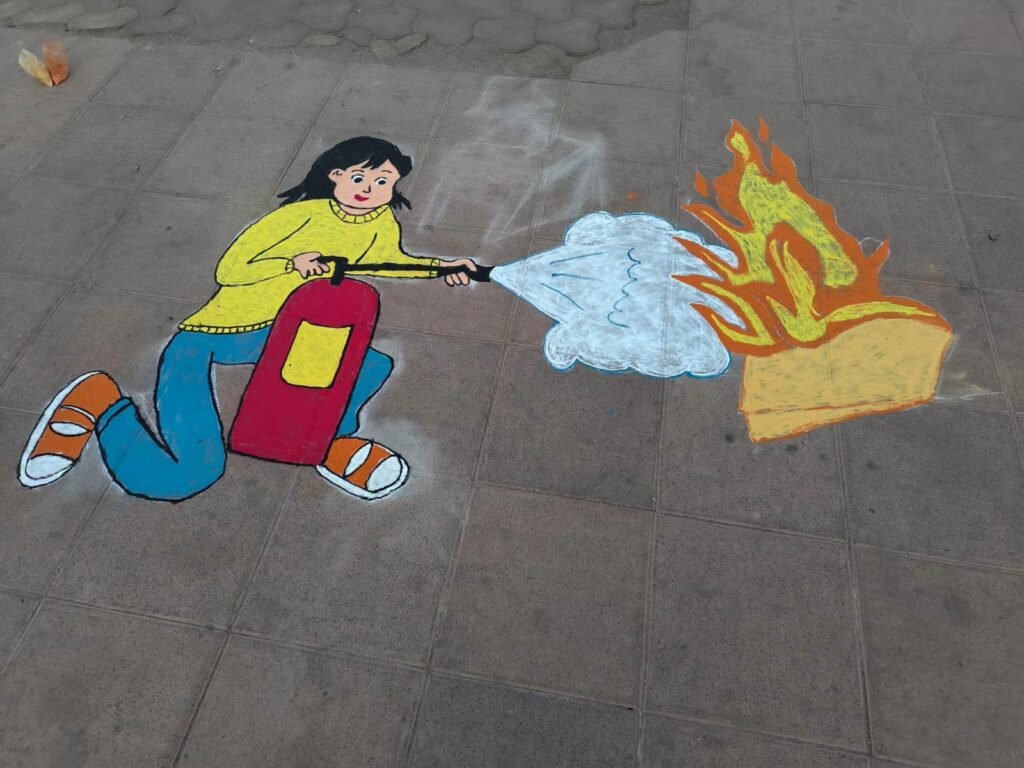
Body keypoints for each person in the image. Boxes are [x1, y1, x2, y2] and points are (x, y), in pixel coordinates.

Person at [19, 136, 477, 502]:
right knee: (188, 475)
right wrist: (289, 263)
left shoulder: (378, 222)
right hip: (213, 338)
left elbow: (388, 262)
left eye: (383, 182)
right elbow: (230, 269)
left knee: (371, 364)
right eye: (361, 177)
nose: (370, 190)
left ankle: (328, 441)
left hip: (285, 335)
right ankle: (99, 403)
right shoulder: (297, 217)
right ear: (336, 175)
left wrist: (442, 268)